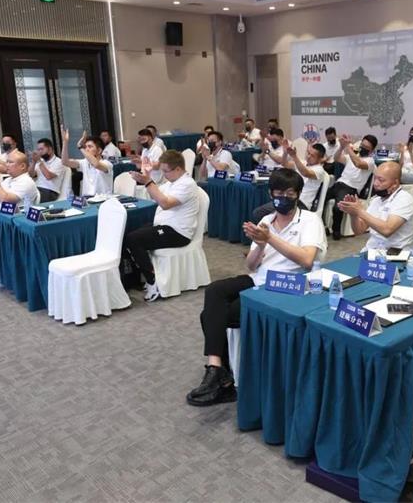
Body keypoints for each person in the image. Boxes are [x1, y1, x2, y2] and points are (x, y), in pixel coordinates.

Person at [186, 168, 327, 407]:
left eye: (290, 193)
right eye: (278, 193)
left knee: (211, 315)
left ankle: (222, 380)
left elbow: (306, 260)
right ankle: (216, 370)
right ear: (271, 194)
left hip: (289, 285)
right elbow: (251, 265)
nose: (284, 198)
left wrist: (270, 239)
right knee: (214, 290)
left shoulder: (310, 220)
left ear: (298, 194)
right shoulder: (266, 221)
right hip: (260, 279)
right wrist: (260, 246)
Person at [124, 150, 199, 302]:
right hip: (165, 226)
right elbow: (154, 196)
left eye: (166, 171)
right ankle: (135, 279)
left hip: (178, 232)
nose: (164, 174)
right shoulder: (172, 182)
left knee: (134, 239)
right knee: (127, 234)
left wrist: (148, 182)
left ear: (178, 169)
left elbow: (165, 203)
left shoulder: (187, 184)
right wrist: (146, 176)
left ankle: (152, 281)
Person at [338, 161, 413, 251]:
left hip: (394, 253)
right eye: (375, 178)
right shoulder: (376, 200)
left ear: (395, 183)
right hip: (372, 250)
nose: (375, 183)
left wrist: (360, 211)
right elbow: (359, 231)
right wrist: (353, 214)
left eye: (381, 180)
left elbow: (387, 230)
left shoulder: (404, 199)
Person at [251, 142, 326, 222]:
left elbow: (305, 173)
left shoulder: (320, 170)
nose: (308, 156)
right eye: (308, 153)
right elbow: (285, 164)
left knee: (259, 213)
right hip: (289, 198)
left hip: (301, 203)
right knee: (260, 211)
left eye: (312, 156)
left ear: (320, 159)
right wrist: (285, 153)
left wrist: (294, 156)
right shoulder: (303, 163)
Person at [325, 133, 377, 240]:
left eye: (366, 147)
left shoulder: (370, 162)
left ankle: (336, 231)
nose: (363, 148)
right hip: (338, 184)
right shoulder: (352, 156)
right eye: (362, 145)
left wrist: (348, 147)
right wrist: (341, 147)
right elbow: (336, 158)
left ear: (371, 150)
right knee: (321, 199)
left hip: (351, 188)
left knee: (338, 207)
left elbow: (358, 164)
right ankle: (323, 226)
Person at [60, 127, 113, 196]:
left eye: (90, 147)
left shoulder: (107, 163)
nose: (86, 149)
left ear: (99, 150)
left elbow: (96, 164)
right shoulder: (84, 162)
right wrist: (65, 142)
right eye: (85, 147)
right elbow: (65, 162)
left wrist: (80, 147)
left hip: (103, 199)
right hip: (86, 199)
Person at [28, 138, 66, 203]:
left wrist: (39, 161)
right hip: (37, 189)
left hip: (50, 191)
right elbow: (31, 175)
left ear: (50, 149)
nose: (39, 152)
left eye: (41, 149)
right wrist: (34, 162)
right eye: (38, 150)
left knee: (29, 198)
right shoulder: (40, 161)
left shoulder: (59, 162)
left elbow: (48, 176)